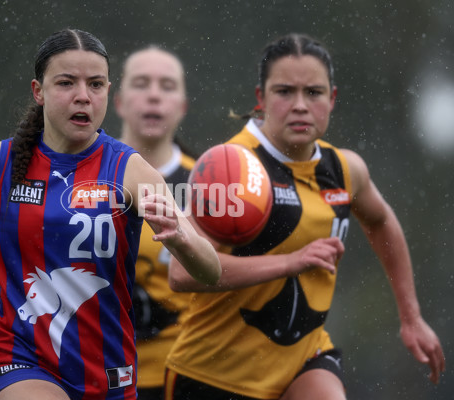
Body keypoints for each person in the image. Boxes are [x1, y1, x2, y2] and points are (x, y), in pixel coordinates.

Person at [0, 29, 221, 400]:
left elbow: (210, 270)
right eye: (67, 83)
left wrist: (180, 237)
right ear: (38, 91)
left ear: (108, 92)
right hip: (17, 356)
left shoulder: (131, 170)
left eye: (96, 84)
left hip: (106, 369)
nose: (83, 96)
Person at [165, 33, 446, 400]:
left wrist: (411, 317)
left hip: (304, 358)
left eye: (313, 93)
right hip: (215, 373)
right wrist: (290, 262)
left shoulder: (345, 170)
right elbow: (182, 273)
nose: (300, 105)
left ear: (332, 99)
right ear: (261, 99)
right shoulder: (229, 168)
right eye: (284, 92)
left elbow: (380, 221)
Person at [114, 46, 195, 400]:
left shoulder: (209, 183)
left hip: (183, 374)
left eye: (167, 85)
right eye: (141, 83)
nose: (153, 95)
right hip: (88, 371)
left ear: (183, 106)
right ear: (118, 101)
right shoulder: (76, 175)